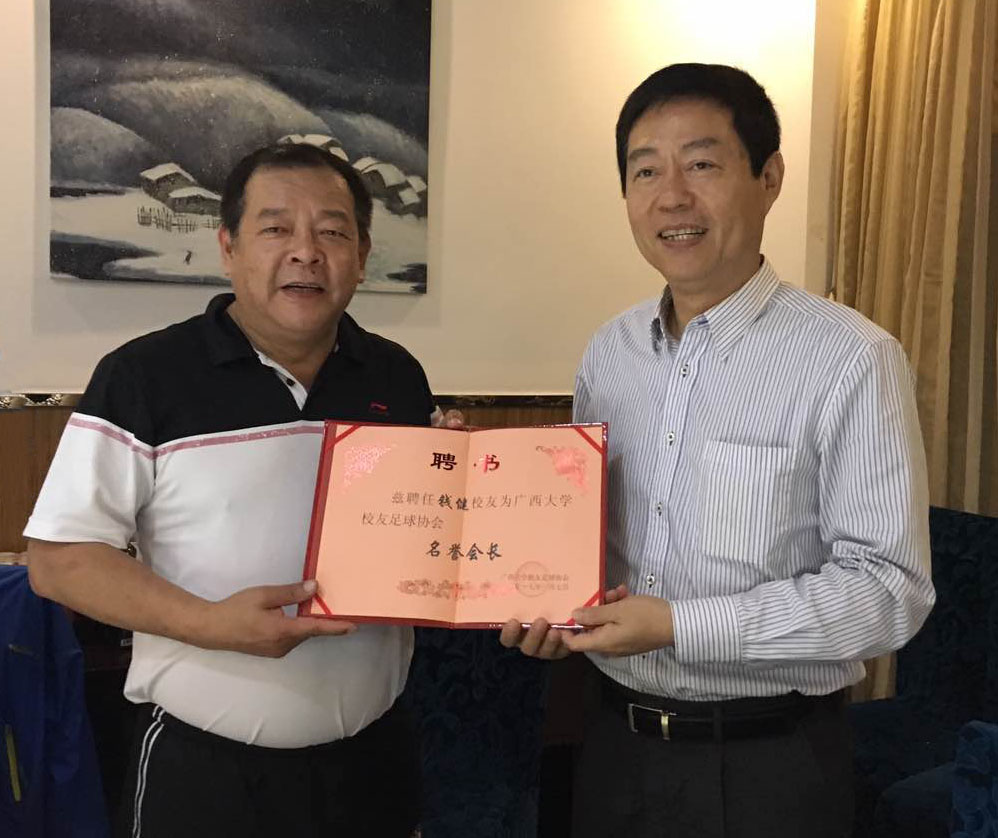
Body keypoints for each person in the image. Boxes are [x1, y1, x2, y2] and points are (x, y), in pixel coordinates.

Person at [501, 63, 935, 838]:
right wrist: (541, 602)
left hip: (773, 765)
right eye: (646, 171)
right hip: (613, 749)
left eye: (701, 163)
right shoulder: (609, 355)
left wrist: (679, 625)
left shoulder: (850, 358)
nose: (672, 196)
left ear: (769, 178)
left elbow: (886, 592)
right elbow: (580, 542)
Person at [26, 142, 440, 837]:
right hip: (204, 773)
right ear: (228, 248)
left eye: (333, 231)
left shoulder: (396, 376)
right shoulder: (143, 375)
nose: (306, 252)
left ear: (363, 254)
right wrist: (211, 623)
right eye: (276, 228)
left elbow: (421, 536)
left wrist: (464, 483)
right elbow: (59, 559)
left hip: (372, 763)